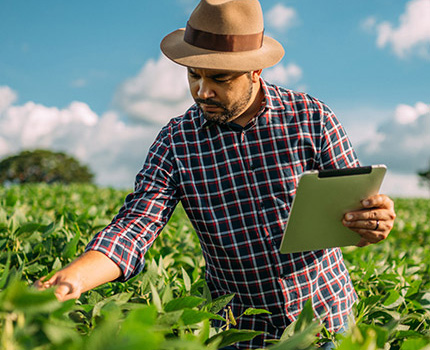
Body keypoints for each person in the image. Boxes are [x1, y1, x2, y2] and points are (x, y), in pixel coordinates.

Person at [36, 0, 396, 349]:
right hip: (237, 332)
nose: (202, 91)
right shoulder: (177, 142)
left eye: (219, 78)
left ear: (256, 71)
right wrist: (73, 279)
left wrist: (371, 224)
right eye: (194, 75)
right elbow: (135, 227)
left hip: (322, 323)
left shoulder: (312, 119)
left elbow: (356, 216)